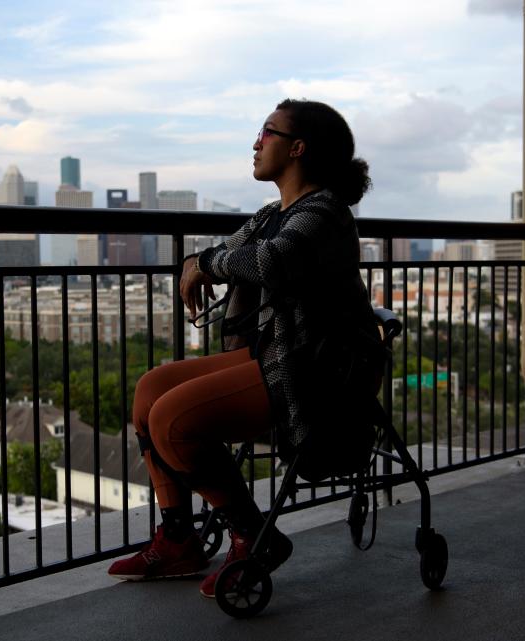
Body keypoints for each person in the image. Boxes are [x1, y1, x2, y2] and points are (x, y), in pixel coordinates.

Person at [107, 99, 378, 598]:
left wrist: (207, 263)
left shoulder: (324, 214)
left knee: (173, 419)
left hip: (315, 371)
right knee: (150, 390)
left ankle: (253, 536)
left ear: (297, 149)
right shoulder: (273, 214)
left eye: (267, 133)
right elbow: (230, 251)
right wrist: (200, 259)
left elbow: (271, 262)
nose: (256, 143)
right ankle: (179, 537)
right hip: (277, 354)